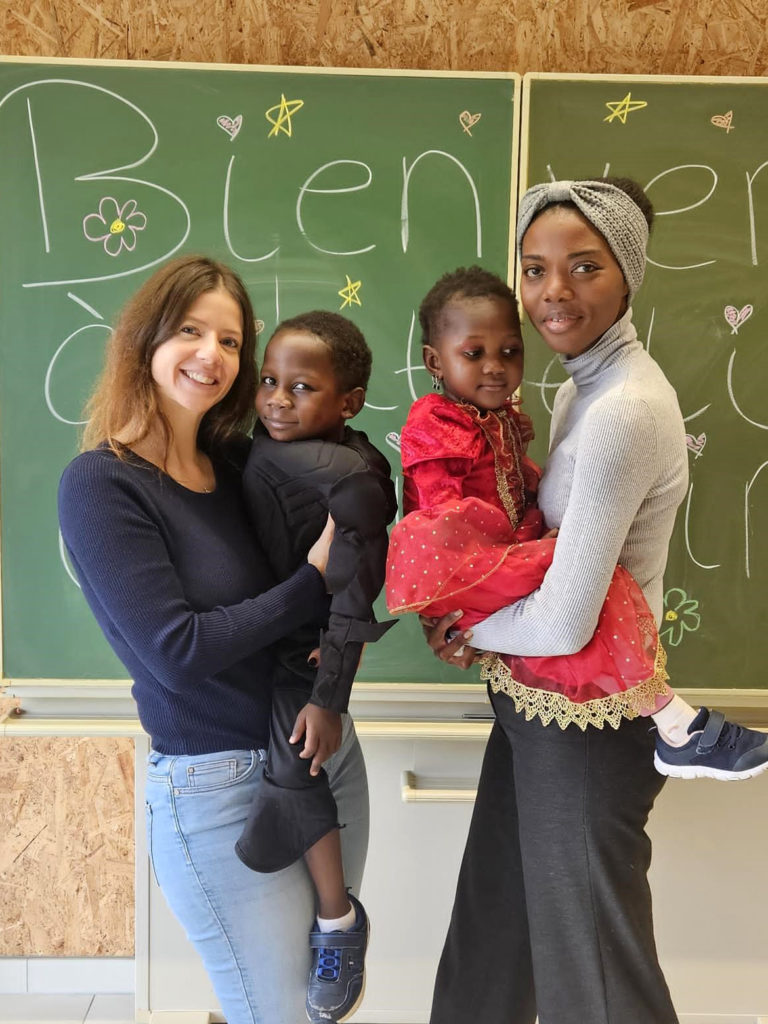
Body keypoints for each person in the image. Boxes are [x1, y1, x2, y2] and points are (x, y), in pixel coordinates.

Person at [416, 179, 768, 1024]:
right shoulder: (578, 389)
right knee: (496, 932)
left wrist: (467, 621)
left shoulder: (622, 408)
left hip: (587, 714)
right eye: (535, 270)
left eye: (583, 267)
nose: (552, 293)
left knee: (597, 977)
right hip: (535, 694)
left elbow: (571, 617)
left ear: (628, 273)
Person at [57, 255, 369, 1024]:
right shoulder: (102, 485)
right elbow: (177, 649)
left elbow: (351, 521)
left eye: (231, 341)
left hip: (321, 751)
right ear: (146, 339)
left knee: (321, 1006)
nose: (213, 355)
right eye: (191, 331)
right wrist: (312, 579)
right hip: (216, 789)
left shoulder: (239, 465)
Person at [387, 261, 768, 775]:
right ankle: (676, 723)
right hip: (465, 566)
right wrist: (512, 561)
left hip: (492, 571)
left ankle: (675, 724)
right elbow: (443, 522)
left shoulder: (506, 416)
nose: (495, 366)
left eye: (509, 351)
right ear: (435, 360)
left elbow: (515, 484)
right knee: (596, 579)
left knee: (588, 577)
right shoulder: (438, 424)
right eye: (473, 354)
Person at [236, 311, 397, 1024]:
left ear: (349, 401)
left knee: (295, 762)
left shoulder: (353, 476)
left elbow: (356, 594)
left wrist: (329, 694)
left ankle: (337, 921)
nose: (276, 399)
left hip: (309, 653)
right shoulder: (261, 450)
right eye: (268, 381)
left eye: (301, 387)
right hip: (263, 640)